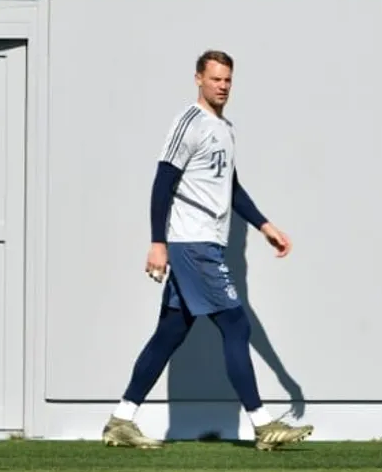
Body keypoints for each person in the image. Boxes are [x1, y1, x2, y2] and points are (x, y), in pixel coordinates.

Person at [101, 50, 314, 451]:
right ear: (198, 78)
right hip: (192, 242)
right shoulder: (189, 123)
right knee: (236, 326)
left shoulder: (225, 129)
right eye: (215, 78)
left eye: (228, 80)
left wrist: (264, 226)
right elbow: (162, 181)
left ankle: (120, 421)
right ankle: (263, 424)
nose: (222, 86)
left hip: (203, 243)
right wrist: (157, 242)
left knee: (170, 332)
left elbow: (230, 187)